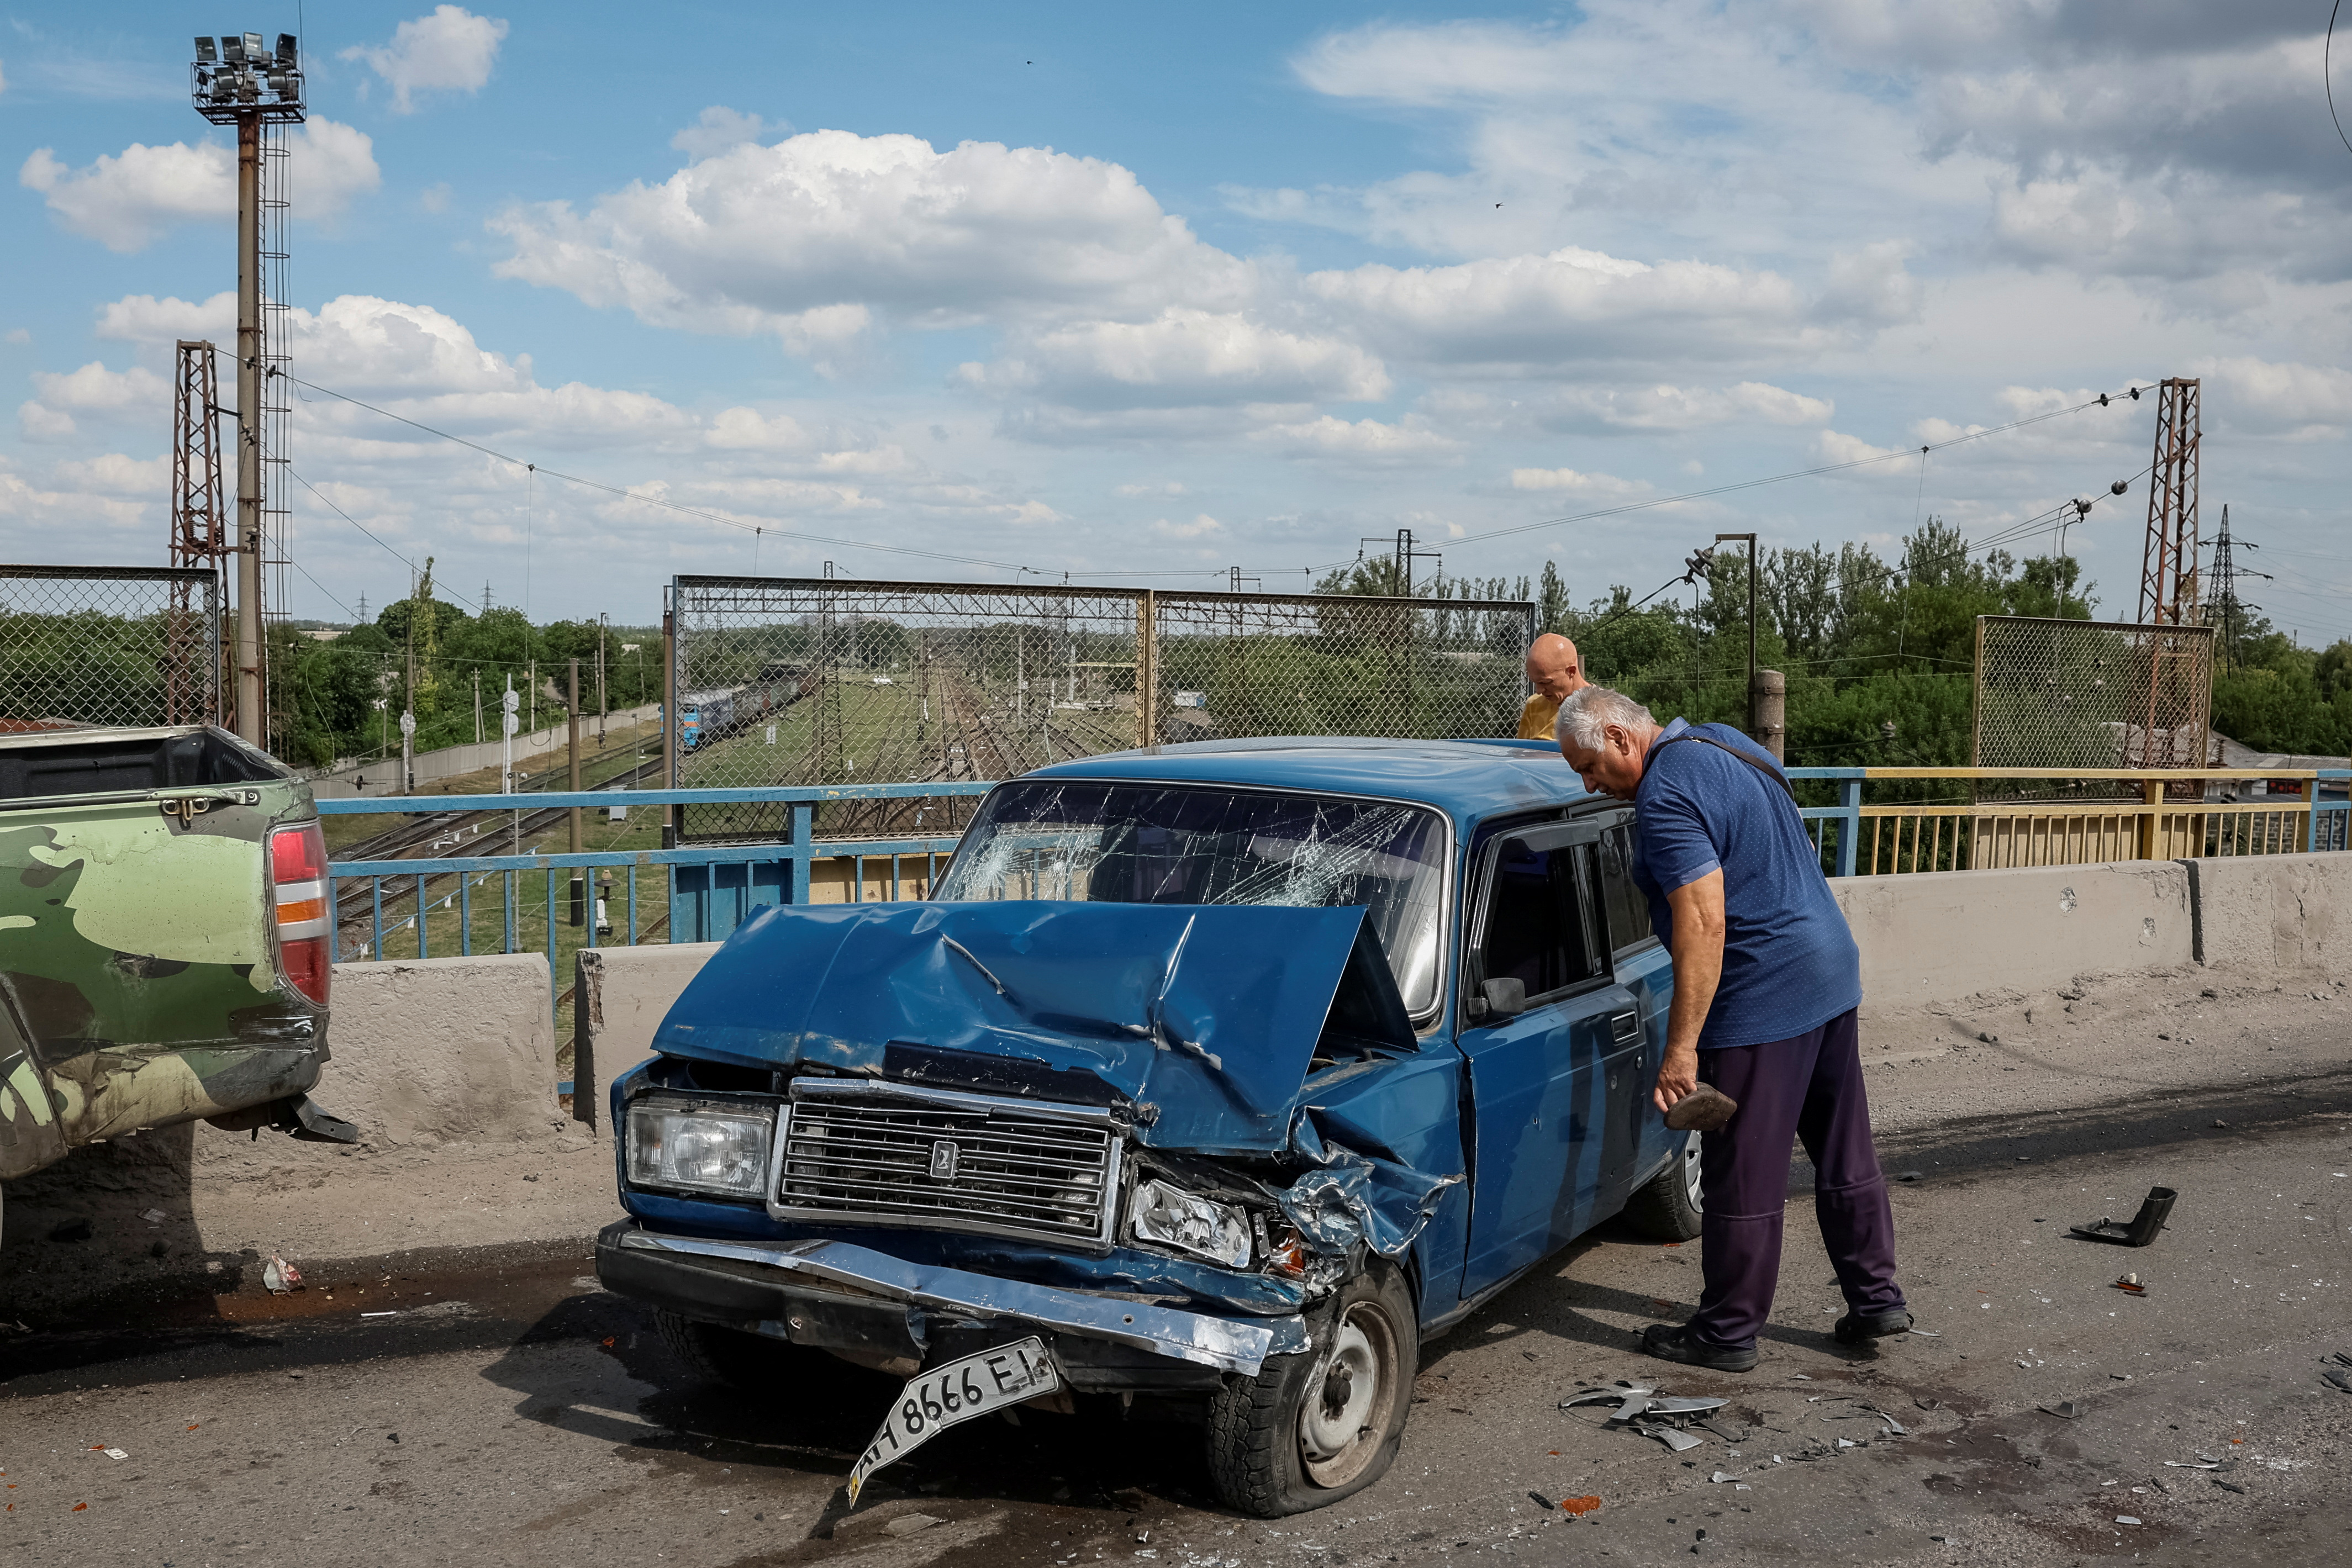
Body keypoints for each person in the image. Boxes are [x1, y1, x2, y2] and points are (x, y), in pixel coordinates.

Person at [1553, 685, 1909, 1371]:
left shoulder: (1662, 798)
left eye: (1589, 768)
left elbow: (1703, 922)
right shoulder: (1723, 740)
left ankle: (1726, 1333)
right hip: (1829, 969)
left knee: (1742, 1173)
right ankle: (1876, 1298)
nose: (1591, 784)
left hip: (1762, 994)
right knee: (1843, 1149)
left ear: (1622, 739)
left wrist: (1680, 1048)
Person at [1516, 633, 1587, 740]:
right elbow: (1520, 753)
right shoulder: (1534, 705)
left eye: (1545, 682)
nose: (1539, 691)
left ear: (1571, 672)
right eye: (1535, 682)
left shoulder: (1603, 707)